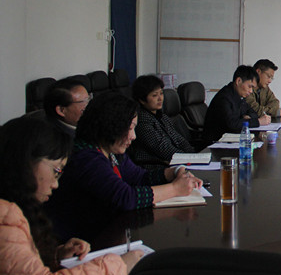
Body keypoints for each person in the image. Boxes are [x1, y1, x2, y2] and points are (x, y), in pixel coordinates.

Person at [0, 116, 142, 275]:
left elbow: (13, 271)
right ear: (25, 163)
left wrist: (55, 257)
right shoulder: (5, 219)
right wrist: (118, 266)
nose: (56, 184)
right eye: (56, 170)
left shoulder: (13, 210)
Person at [44, 92, 202, 242]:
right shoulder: (85, 157)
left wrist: (173, 172)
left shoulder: (111, 150)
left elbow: (139, 178)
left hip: (111, 231)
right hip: (84, 241)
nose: (134, 136)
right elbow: (125, 198)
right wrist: (175, 189)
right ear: (110, 126)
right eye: (130, 128)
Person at [128, 74, 195, 170]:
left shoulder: (162, 116)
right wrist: (187, 159)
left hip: (173, 161)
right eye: (155, 95)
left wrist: (193, 155)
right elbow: (163, 148)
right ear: (142, 100)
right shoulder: (142, 120)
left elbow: (179, 140)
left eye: (161, 93)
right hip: (156, 167)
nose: (160, 99)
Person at [203, 65, 270, 143]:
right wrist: (258, 122)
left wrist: (247, 118)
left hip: (231, 138)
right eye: (249, 86)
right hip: (215, 142)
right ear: (238, 81)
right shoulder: (224, 98)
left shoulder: (239, 96)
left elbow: (252, 113)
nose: (251, 91)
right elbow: (232, 124)